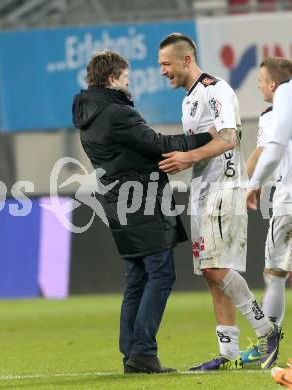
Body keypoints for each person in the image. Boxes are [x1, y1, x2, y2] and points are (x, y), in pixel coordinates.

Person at [72, 49, 214, 374]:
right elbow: (159, 144)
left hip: (118, 202)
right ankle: (144, 352)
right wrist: (209, 137)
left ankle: (132, 354)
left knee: (136, 278)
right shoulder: (117, 113)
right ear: (112, 79)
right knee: (161, 274)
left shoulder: (88, 116)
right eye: (125, 77)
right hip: (142, 201)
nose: (129, 81)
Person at [158, 33, 281, 371]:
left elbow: (228, 138)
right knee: (210, 274)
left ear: (186, 60)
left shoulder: (216, 90)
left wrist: (187, 157)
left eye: (166, 64)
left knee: (215, 267)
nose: (162, 71)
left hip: (224, 188)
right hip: (202, 191)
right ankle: (228, 354)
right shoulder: (188, 99)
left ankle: (266, 330)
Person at [241, 58, 292, 365]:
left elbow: (265, 151)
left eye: (260, 80)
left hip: (288, 200)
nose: (259, 84)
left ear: (273, 85)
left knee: (275, 273)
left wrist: (245, 186)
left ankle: (267, 344)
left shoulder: (275, 111)